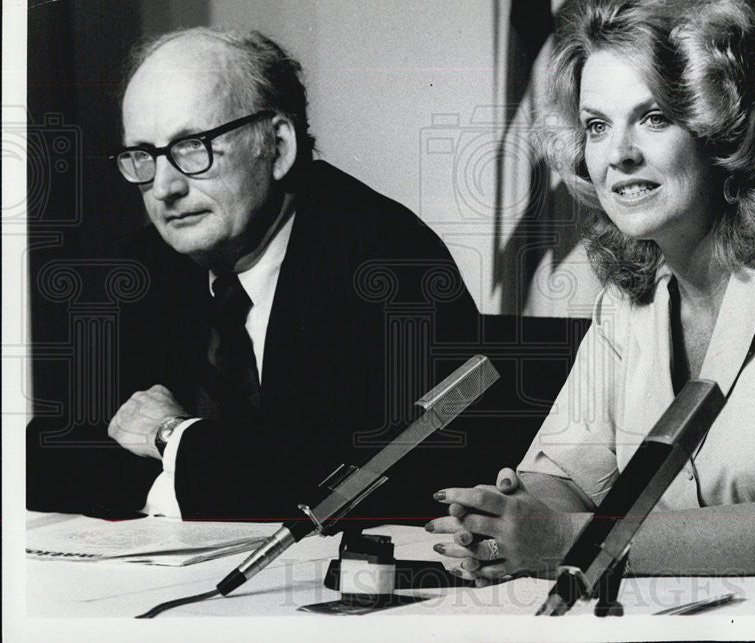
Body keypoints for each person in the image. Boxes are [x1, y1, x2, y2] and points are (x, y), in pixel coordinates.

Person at [427, 0, 755, 581]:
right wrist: (505, 523)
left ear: (718, 128)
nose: (617, 154)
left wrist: (565, 543)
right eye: (596, 126)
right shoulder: (632, 288)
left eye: (652, 117)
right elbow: (565, 477)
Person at [26, 28, 485, 523]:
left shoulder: (388, 261)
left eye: (192, 146)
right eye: (143, 154)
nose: (163, 187)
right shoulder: (148, 263)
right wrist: (205, 473)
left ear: (277, 145)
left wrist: (170, 438)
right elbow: (45, 454)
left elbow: (358, 486)